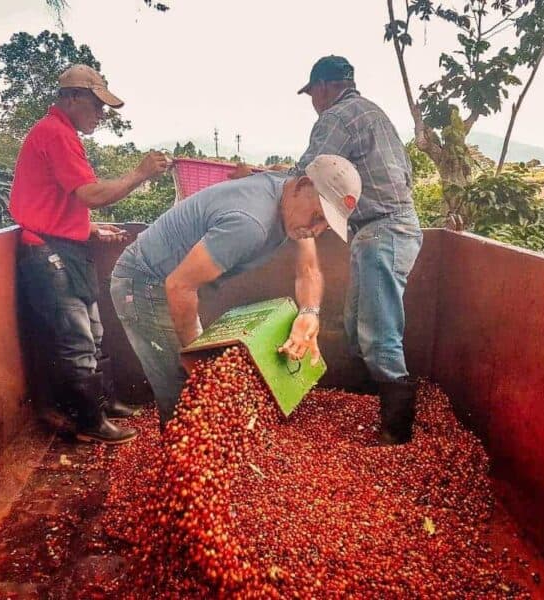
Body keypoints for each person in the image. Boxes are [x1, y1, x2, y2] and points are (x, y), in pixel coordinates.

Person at [238, 56, 423, 445]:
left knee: (377, 330)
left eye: (311, 94)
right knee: (358, 324)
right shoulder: (373, 114)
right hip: (392, 227)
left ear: (322, 86)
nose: (313, 102)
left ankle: (397, 432)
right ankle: (371, 402)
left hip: (382, 229)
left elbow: (306, 178)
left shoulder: (337, 117)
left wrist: (255, 181)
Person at [110, 155, 361, 430]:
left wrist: (309, 313)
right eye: (316, 217)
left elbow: (309, 270)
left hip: (178, 282)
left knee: (198, 389)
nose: (314, 230)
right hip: (144, 281)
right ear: (302, 185)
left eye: (324, 227)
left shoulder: (288, 192)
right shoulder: (250, 224)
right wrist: (200, 361)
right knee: (186, 391)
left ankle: (197, 455)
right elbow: (179, 287)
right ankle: (183, 462)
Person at [9, 64, 168, 444]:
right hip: (48, 251)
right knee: (77, 339)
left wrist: (88, 227)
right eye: (97, 105)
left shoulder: (62, 133)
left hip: (66, 244)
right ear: (73, 98)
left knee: (94, 332)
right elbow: (90, 194)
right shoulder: (55, 134)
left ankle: (103, 401)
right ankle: (88, 421)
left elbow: (57, 200)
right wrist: (139, 174)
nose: (101, 114)